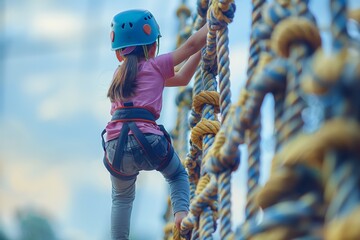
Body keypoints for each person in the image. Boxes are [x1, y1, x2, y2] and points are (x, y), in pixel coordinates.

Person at [101, 9, 207, 240]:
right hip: (148, 141)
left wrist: (200, 53)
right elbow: (189, 47)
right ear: (151, 47)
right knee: (178, 175)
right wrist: (214, 24)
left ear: (119, 54)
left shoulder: (118, 77)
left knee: (121, 199)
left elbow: (182, 78)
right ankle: (180, 214)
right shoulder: (156, 67)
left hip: (115, 148)